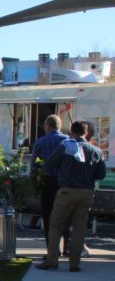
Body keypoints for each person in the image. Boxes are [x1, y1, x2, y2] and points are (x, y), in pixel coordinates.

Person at [36, 120, 106, 272]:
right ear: (86, 133)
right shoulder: (96, 151)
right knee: (79, 228)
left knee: (55, 225)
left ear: (72, 132)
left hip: (67, 190)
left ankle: (52, 260)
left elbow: (50, 164)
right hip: (86, 192)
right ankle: (75, 263)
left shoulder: (65, 147)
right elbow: (101, 174)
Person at [30, 114, 69, 255]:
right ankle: (66, 247)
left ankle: (52, 249)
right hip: (63, 183)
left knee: (48, 216)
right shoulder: (67, 141)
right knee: (64, 215)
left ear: (47, 126)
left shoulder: (40, 142)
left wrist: (34, 181)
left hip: (47, 181)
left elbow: (34, 165)